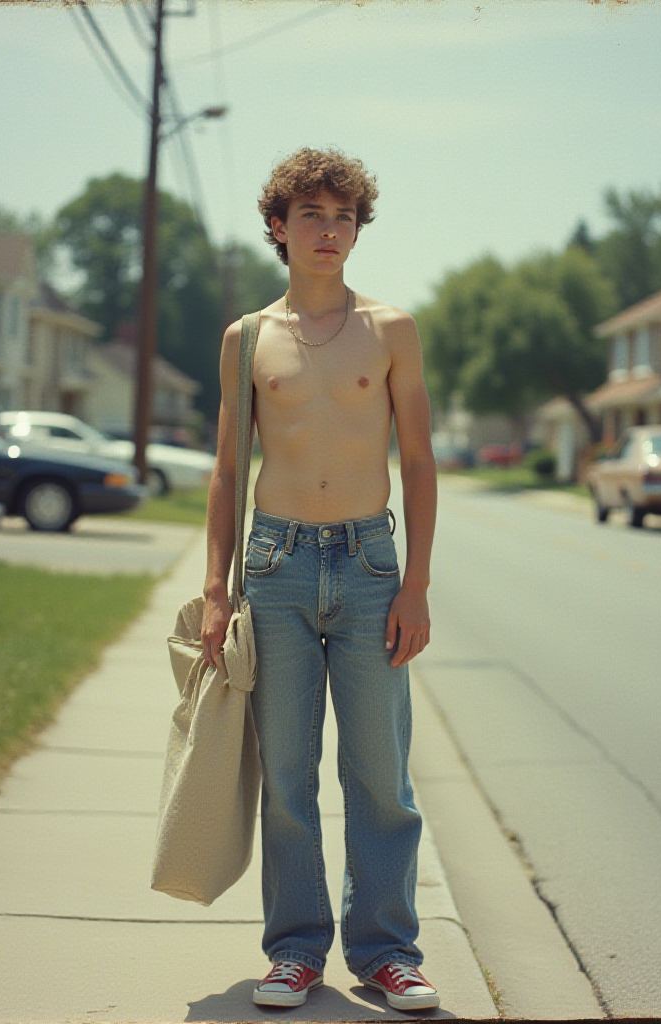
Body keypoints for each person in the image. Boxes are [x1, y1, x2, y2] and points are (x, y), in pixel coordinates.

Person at [200, 147, 439, 1011]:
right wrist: (218, 587)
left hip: (373, 566)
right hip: (276, 566)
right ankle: (295, 951)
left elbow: (417, 459)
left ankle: (387, 953)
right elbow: (228, 470)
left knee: (380, 773)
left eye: (343, 217)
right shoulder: (247, 340)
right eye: (312, 215)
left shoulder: (391, 330)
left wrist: (414, 581)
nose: (329, 230)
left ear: (357, 228)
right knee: (288, 774)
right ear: (279, 227)